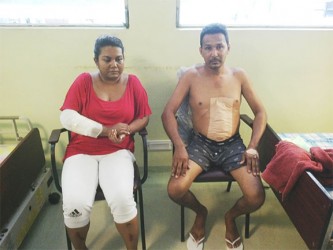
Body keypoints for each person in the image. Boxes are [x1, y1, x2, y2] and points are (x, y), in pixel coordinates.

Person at [161, 23, 267, 250]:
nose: (214, 53)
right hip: (200, 144)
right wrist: (179, 146)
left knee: (256, 196)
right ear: (201, 50)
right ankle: (201, 213)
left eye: (219, 46)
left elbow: (260, 112)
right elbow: (167, 113)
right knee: (175, 189)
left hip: (233, 146)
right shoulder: (191, 76)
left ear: (228, 47)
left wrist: (253, 146)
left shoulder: (239, 76)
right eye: (208, 48)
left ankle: (230, 218)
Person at [59, 35, 151, 250]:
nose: (114, 65)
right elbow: (67, 117)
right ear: (96, 60)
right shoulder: (83, 81)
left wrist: (127, 128)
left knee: (122, 200)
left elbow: (144, 116)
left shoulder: (133, 83)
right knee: (75, 206)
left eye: (119, 59)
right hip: (81, 151)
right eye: (107, 59)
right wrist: (106, 130)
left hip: (118, 150)